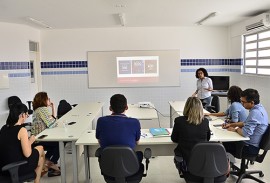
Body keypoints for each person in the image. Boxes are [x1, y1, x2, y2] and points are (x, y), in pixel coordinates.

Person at [0, 103, 44, 183]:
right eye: (27, 115)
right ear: (22, 115)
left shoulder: (3, 128)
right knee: (40, 148)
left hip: (3, 169)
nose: (26, 117)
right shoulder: (22, 130)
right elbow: (27, 154)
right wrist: (30, 141)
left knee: (40, 160)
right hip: (17, 168)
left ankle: (38, 179)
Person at [96, 94, 143, 162]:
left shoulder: (101, 121)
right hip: (129, 164)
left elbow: (99, 140)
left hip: (107, 165)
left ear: (110, 108)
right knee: (139, 154)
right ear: (126, 107)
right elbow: (137, 142)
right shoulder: (134, 122)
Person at [222, 89, 268, 156]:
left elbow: (245, 133)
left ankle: (226, 164)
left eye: (243, 102)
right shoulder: (260, 108)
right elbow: (245, 123)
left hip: (249, 147)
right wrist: (231, 125)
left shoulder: (255, 113)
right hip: (252, 144)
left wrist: (235, 129)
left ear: (252, 102)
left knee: (223, 144)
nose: (242, 104)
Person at [171, 97, 211, 167]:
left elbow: (174, 139)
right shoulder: (205, 121)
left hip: (185, 160)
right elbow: (207, 139)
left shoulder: (179, 121)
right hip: (202, 161)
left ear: (186, 107)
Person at [31, 92, 61, 177]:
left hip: (38, 138)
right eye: (48, 99)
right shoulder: (42, 109)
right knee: (60, 143)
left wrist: (53, 108)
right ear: (44, 100)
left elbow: (51, 120)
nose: (49, 100)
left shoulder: (38, 109)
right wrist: (57, 121)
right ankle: (51, 164)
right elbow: (52, 124)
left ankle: (46, 162)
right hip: (40, 139)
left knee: (55, 144)